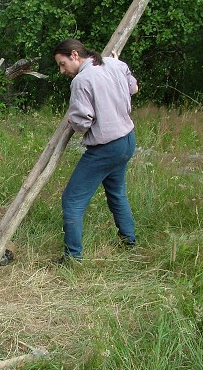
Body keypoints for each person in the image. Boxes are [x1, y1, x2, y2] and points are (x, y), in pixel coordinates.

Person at [52, 38, 139, 262]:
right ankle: (128, 239)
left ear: (74, 55)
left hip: (106, 147)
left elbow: (83, 123)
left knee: (72, 200)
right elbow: (134, 88)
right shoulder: (114, 64)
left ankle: (72, 257)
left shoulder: (82, 80)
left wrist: (72, 119)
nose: (62, 71)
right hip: (127, 140)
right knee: (116, 192)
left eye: (62, 64)